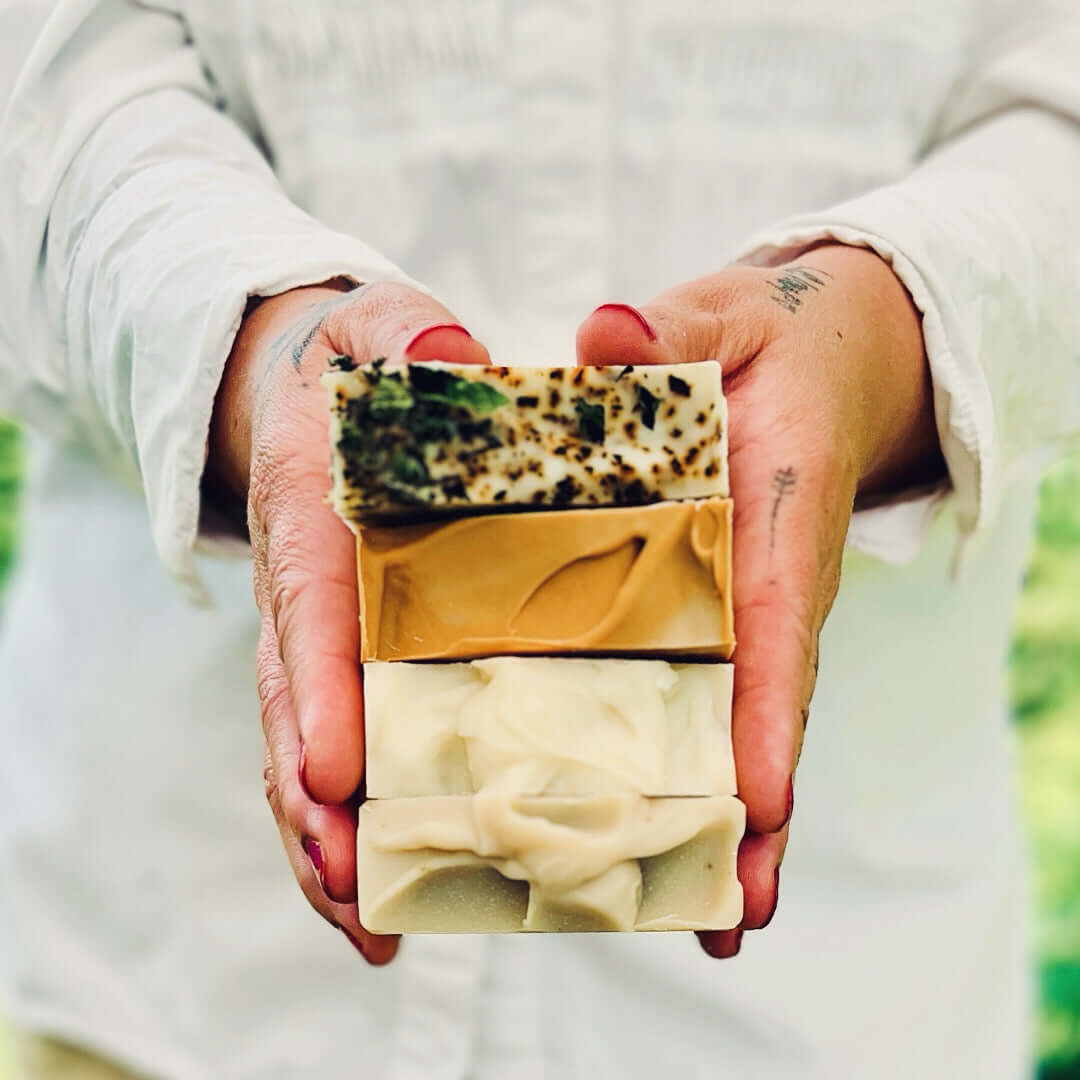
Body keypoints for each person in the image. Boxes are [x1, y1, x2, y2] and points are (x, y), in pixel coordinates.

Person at [1, 1, 1078, 1077]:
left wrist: (881, 338)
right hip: (172, 972)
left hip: (840, 993)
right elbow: (46, 77)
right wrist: (244, 340)